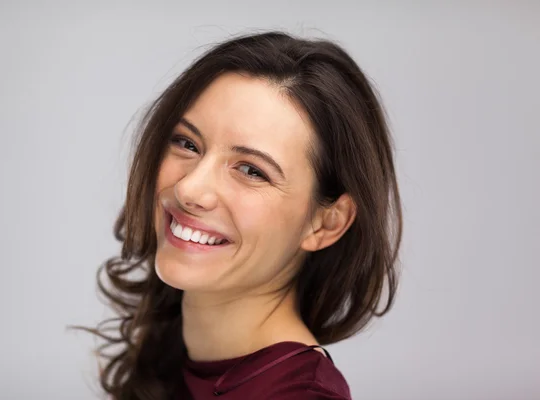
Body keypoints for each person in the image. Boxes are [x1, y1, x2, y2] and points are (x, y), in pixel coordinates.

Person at [86, 31, 402, 399]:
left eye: (252, 170)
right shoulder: (175, 349)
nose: (190, 189)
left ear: (326, 222)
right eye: (187, 144)